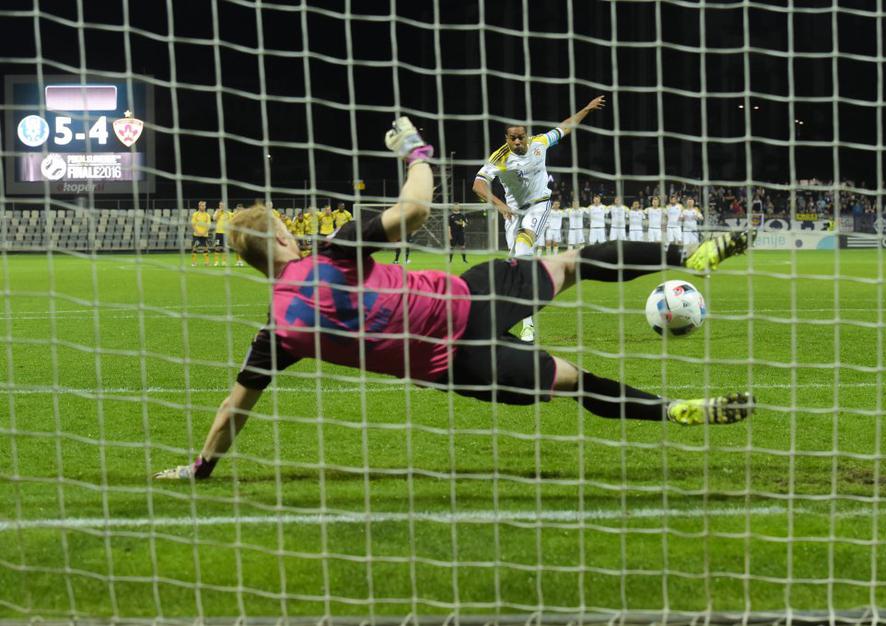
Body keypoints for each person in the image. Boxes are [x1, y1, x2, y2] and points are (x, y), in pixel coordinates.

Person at [154, 117, 754, 481]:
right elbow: (416, 209)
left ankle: (673, 410)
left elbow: (235, 407)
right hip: (474, 297)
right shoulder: (334, 252)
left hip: (458, 366)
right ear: (284, 238)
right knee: (573, 263)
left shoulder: (278, 331)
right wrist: (415, 151)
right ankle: (686, 257)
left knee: (576, 382)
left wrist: (201, 466)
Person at [472, 95, 606, 343]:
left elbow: (565, 127)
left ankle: (528, 327)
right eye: (513, 138)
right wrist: (500, 205)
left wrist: (586, 109)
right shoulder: (500, 158)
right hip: (513, 213)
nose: (518, 142)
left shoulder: (539, 143)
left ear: (527, 135)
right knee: (515, 267)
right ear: (506, 139)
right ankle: (509, 316)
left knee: (523, 250)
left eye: (521, 137)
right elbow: (478, 185)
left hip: (539, 205)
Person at [190, 201, 211, 267]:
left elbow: (208, 225)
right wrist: (198, 232)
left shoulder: (207, 215)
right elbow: (193, 224)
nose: (203, 207)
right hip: (196, 235)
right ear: (199, 206)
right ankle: (194, 262)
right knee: (194, 248)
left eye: (204, 205)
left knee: (205, 248)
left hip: (204, 235)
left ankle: (206, 262)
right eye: (202, 205)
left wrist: (204, 233)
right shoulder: (195, 214)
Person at [213, 201, 233, 266]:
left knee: (225, 248)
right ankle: (216, 262)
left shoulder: (228, 213)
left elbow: (231, 222)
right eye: (220, 205)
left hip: (226, 233)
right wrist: (218, 213)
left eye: (222, 205)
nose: (221, 207)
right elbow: (214, 218)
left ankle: (224, 262)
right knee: (217, 247)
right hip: (218, 232)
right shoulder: (217, 212)